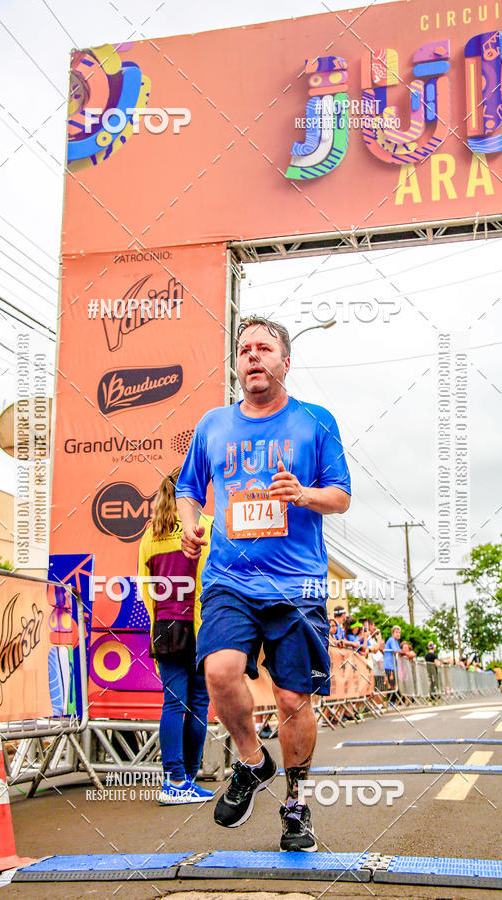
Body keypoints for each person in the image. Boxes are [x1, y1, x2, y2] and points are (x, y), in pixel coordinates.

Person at [176, 316, 351, 852]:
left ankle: (296, 806)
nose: (253, 356)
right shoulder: (212, 424)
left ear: (284, 362)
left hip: (298, 586)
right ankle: (252, 761)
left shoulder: (315, 422)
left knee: (294, 698)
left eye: (264, 348)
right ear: (237, 364)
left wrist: (303, 494)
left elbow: (341, 495)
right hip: (231, 578)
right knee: (220, 671)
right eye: (244, 349)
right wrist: (189, 521)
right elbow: (188, 487)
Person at [138, 467, 215, 805]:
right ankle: (188, 776)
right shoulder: (209, 526)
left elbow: (144, 590)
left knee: (173, 702)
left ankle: (175, 780)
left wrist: (160, 619)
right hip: (202, 625)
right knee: (199, 703)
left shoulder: (149, 536)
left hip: (165, 627)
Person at [383, 625, 402, 705]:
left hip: (394, 666)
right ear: (393, 633)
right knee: (391, 684)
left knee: (394, 684)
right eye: (396, 632)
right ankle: (391, 701)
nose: (398, 634)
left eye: (399, 632)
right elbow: (396, 651)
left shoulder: (396, 641)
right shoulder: (391, 640)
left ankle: (393, 700)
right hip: (389, 665)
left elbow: (398, 650)